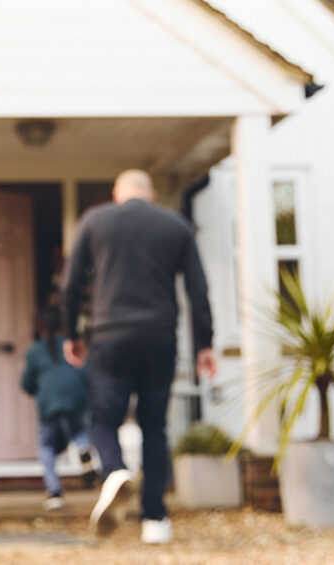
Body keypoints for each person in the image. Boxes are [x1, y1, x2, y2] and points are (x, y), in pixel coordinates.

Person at [60, 169, 217, 544]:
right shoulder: (175, 226)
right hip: (159, 338)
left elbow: (70, 283)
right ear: (151, 194)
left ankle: (114, 470)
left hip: (110, 337)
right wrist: (204, 344)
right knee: (154, 426)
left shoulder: (95, 221)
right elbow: (198, 289)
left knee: (103, 419)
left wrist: (72, 334)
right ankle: (155, 520)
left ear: (118, 194)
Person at [21, 307, 99, 511]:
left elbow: (26, 383)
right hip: (75, 399)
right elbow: (86, 373)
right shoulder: (73, 346)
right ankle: (83, 450)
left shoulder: (35, 350)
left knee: (46, 445)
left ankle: (54, 492)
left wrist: (34, 389)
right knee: (78, 431)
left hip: (48, 403)